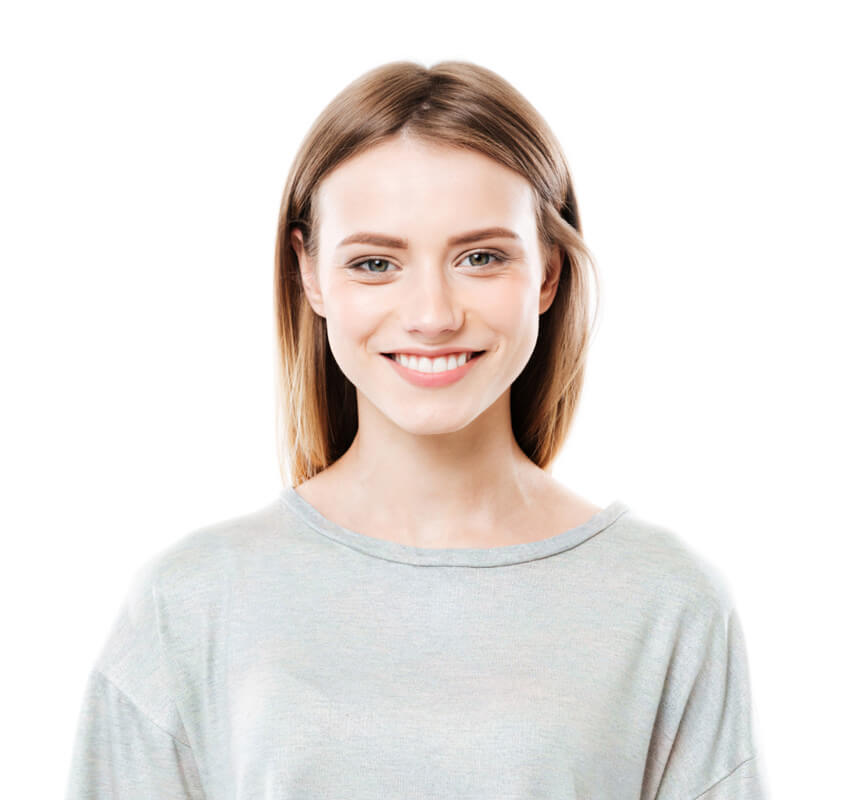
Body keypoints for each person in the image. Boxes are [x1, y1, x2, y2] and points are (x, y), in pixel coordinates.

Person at [64, 60, 767, 798]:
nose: (431, 313)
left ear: (550, 271)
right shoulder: (191, 601)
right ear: (309, 274)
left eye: (481, 257)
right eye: (375, 262)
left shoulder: (666, 601)